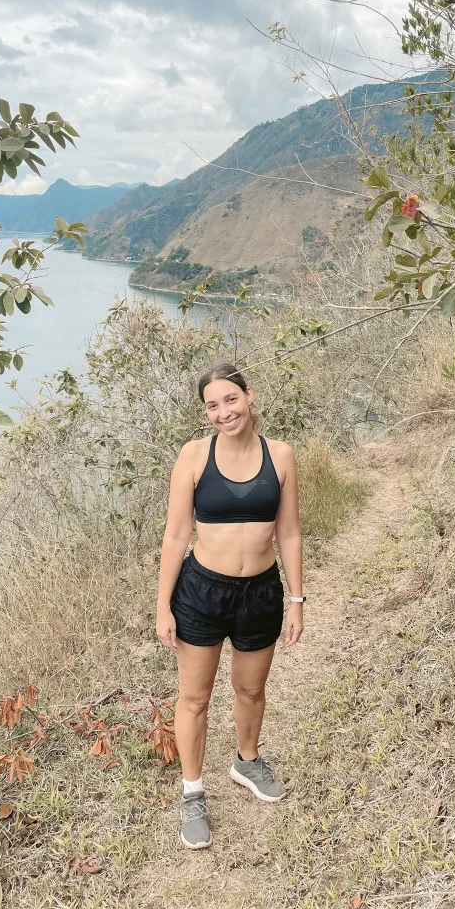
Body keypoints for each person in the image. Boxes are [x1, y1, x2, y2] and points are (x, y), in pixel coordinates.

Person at [156, 361, 304, 850]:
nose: (224, 412)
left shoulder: (280, 455)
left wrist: (297, 600)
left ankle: (246, 760)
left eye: (230, 400)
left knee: (251, 691)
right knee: (194, 697)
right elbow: (176, 535)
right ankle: (193, 792)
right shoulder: (194, 457)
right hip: (202, 592)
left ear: (249, 396)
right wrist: (163, 608)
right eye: (213, 406)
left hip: (261, 591)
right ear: (206, 413)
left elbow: (289, 533)